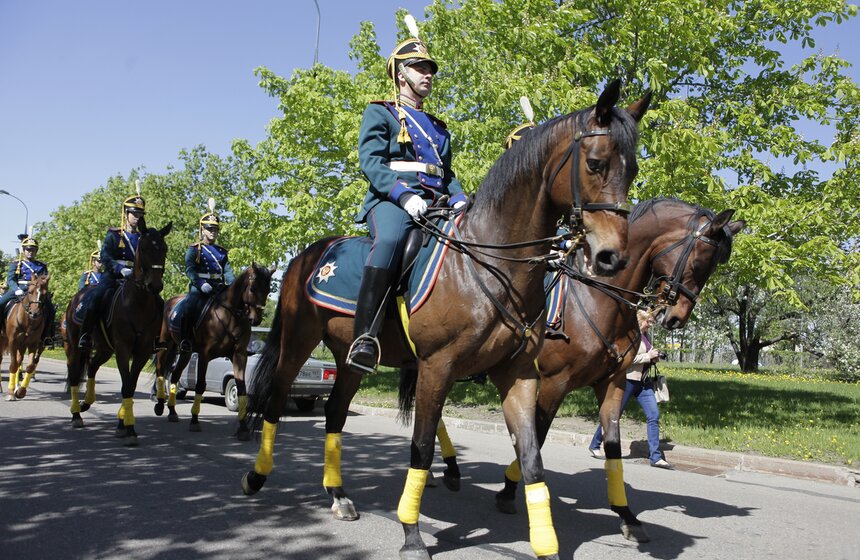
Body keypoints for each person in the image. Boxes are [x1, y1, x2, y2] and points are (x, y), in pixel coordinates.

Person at [347, 16, 468, 375]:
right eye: (419, 67)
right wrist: (402, 195)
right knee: (390, 240)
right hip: (391, 202)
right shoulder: (380, 113)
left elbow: (447, 172)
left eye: (430, 68)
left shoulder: (437, 127)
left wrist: (460, 196)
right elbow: (370, 161)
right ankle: (365, 337)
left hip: (436, 203)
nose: (428, 74)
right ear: (401, 74)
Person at [588, 309, 675, 470]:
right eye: (647, 321)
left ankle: (655, 457)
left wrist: (654, 356)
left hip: (644, 382)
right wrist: (647, 357)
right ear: (639, 320)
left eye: (650, 321)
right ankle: (595, 444)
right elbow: (625, 358)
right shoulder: (630, 336)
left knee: (654, 415)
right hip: (627, 381)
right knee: (614, 416)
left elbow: (645, 355)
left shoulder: (646, 337)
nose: (650, 324)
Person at [77, 189, 146, 349]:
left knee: (156, 301)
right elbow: (106, 256)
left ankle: (155, 340)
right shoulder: (114, 235)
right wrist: (119, 268)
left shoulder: (144, 238)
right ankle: (85, 335)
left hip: (135, 280)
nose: (137, 217)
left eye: (140, 214)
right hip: (114, 277)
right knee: (96, 298)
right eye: (134, 214)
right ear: (126, 214)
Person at [172, 199, 235, 353]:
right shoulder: (194, 249)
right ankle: (185, 340)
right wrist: (200, 284)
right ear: (202, 230)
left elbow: (227, 271)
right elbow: (190, 269)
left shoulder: (221, 251)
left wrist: (233, 286)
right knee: (189, 307)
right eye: (209, 229)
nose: (212, 232)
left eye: (215, 229)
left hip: (218, 287)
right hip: (199, 287)